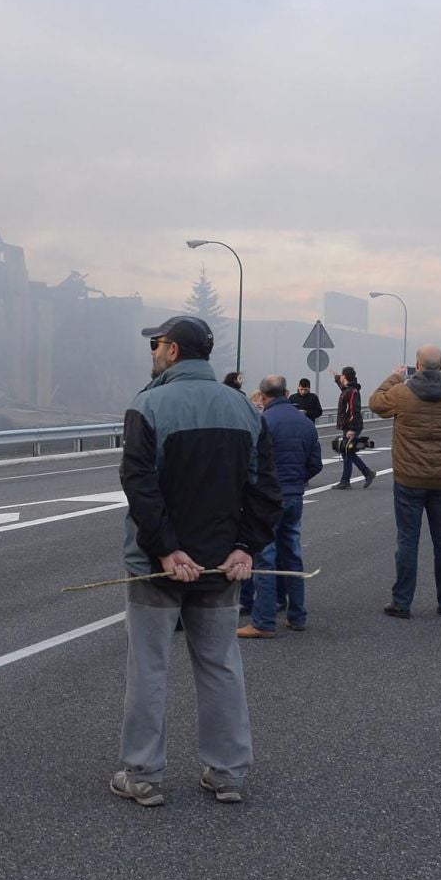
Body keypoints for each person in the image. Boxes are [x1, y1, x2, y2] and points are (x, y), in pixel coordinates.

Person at [113, 316, 279, 807]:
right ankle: (227, 773)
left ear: (174, 351)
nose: (153, 352)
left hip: (157, 566)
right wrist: (244, 547)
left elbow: (140, 485)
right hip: (221, 566)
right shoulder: (246, 410)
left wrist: (165, 548)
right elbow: (266, 489)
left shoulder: (147, 405)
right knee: (220, 666)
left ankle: (143, 775)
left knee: (149, 668)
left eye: (157, 344)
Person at [370, 346, 441, 618]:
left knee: (407, 540)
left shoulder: (402, 393)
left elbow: (376, 403)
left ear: (417, 364)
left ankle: (402, 602)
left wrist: (394, 377)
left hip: (408, 479)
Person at [238, 375, 322, 637]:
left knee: (265, 556)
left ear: (262, 397)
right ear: (287, 392)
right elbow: (316, 462)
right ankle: (297, 616)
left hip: (269, 498)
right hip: (295, 496)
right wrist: (298, 481)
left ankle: (263, 621)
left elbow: (250, 462)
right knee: (292, 554)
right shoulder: (305, 422)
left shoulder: (263, 422)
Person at [332, 367, 374, 490]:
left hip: (352, 426)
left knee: (347, 452)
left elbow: (354, 410)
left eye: (341, 375)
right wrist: (335, 378)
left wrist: (352, 429)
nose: (340, 376)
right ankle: (364, 474)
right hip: (348, 425)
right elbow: (343, 388)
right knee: (347, 452)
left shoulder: (352, 392)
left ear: (344, 376)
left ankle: (348, 480)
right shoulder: (348, 389)